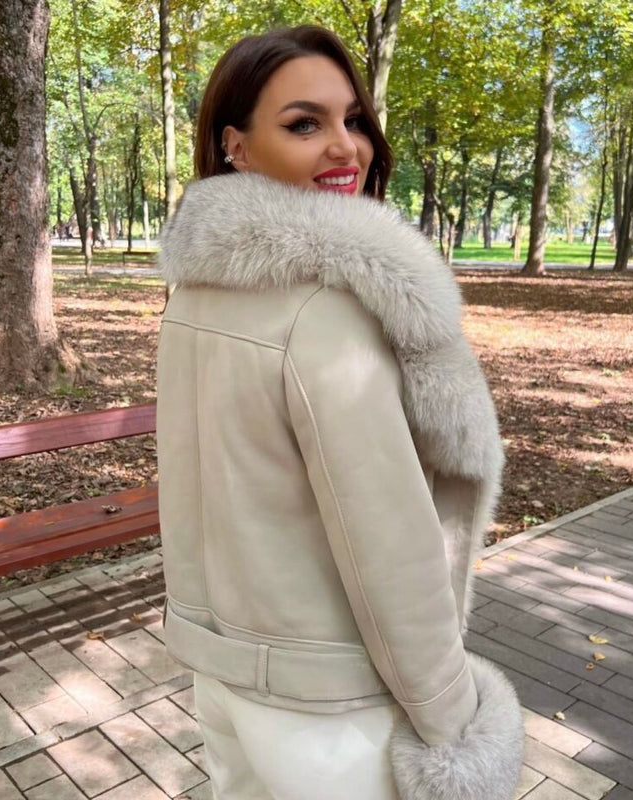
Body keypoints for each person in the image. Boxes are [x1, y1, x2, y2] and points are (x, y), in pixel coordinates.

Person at [156, 25, 523, 800]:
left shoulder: (194, 290)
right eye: (304, 123)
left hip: (223, 673)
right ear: (237, 146)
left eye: (352, 119)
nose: (345, 147)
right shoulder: (326, 310)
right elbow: (386, 544)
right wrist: (452, 720)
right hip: (325, 705)